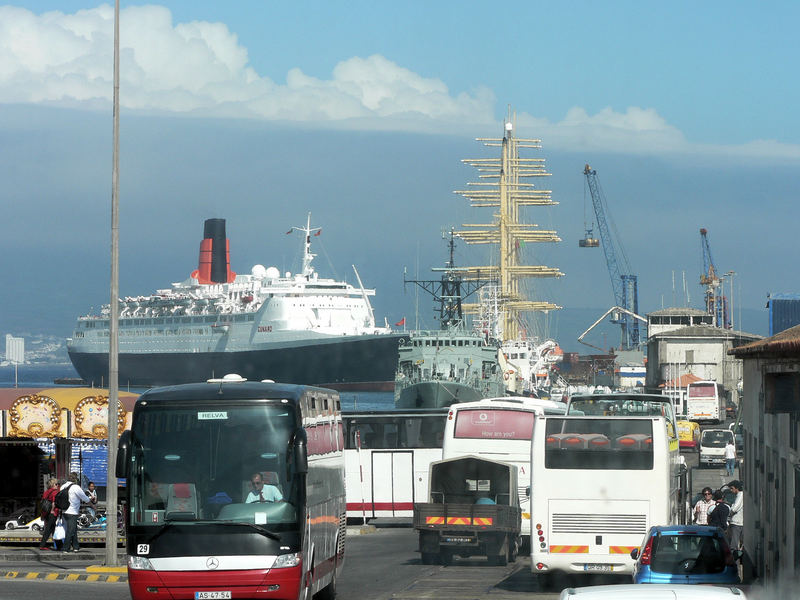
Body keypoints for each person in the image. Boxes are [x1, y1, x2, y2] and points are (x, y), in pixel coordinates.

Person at [60, 472, 91, 552]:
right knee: (70, 530)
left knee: (73, 529)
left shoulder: (63, 486)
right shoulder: (76, 487)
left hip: (64, 511)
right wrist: (91, 501)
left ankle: (76, 546)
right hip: (72, 512)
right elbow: (84, 498)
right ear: (75, 479)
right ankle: (65, 548)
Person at [38, 478, 61, 551]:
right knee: (48, 529)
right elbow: (54, 502)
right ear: (52, 485)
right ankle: (42, 545)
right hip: (53, 512)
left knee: (53, 529)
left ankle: (59, 545)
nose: (58, 485)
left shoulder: (46, 492)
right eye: (56, 484)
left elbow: (43, 500)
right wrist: (52, 510)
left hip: (46, 512)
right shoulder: (55, 492)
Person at [727, 480, 744, 551]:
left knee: (734, 544)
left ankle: (734, 561)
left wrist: (730, 513)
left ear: (737, 488)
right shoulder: (739, 495)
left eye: (732, 488)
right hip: (739, 522)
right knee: (737, 543)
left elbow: (734, 509)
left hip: (737, 522)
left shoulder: (740, 495)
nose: (731, 490)